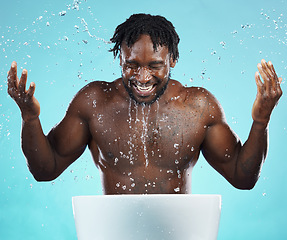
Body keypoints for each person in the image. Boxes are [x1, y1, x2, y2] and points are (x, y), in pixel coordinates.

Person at [7, 13, 282, 194]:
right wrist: (30, 118)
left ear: (172, 60)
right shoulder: (94, 102)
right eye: (132, 65)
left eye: (154, 66)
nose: (142, 77)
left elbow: (242, 178)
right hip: (114, 231)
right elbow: (46, 169)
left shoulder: (197, 106)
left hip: (178, 232)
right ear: (120, 60)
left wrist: (261, 121)